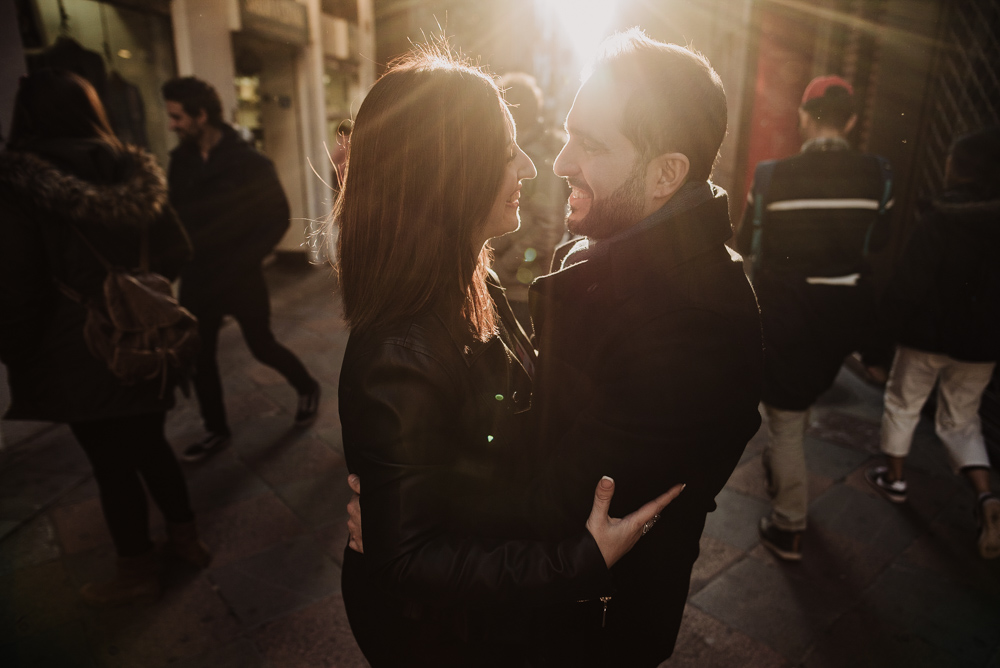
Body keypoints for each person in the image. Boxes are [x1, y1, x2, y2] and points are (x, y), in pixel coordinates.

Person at [336, 46, 683, 667]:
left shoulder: (471, 279)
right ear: (448, 177)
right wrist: (579, 561)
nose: (528, 166)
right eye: (505, 153)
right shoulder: (399, 352)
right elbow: (409, 560)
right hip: (438, 639)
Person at [0, 69, 210, 605]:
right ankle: (187, 542)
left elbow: (18, 286)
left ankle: (136, 573)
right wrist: (139, 294)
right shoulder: (132, 170)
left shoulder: (22, 185)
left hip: (76, 351)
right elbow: (177, 250)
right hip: (148, 341)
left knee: (111, 464)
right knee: (151, 444)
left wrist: (17, 354)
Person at [734, 74, 893, 561]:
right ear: (851, 120)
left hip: (785, 312)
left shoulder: (770, 176)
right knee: (796, 410)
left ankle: (789, 526)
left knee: (783, 422)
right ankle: (785, 473)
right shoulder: (878, 174)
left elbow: (746, 245)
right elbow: (877, 244)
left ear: (803, 117)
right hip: (842, 315)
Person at [162, 77, 321, 463]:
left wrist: (245, 259)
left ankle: (307, 386)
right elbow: (172, 217)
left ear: (202, 114)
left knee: (260, 344)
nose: (173, 124)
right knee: (200, 357)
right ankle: (216, 430)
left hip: (239, 274)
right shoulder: (179, 162)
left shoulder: (249, 162)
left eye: (178, 116)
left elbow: (278, 216)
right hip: (198, 276)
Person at [865, 127, 1000, 560]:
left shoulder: (939, 219)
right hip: (981, 346)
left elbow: (907, 286)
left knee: (903, 402)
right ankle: (985, 496)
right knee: (962, 420)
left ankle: (895, 478)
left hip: (927, 338)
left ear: (953, 167)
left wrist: (878, 346)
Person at [489, 72, 569, 322]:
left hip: (520, 291)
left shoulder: (537, 161)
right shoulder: (528, 153)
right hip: (512, 286)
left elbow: (549, 228)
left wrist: (503, 267)